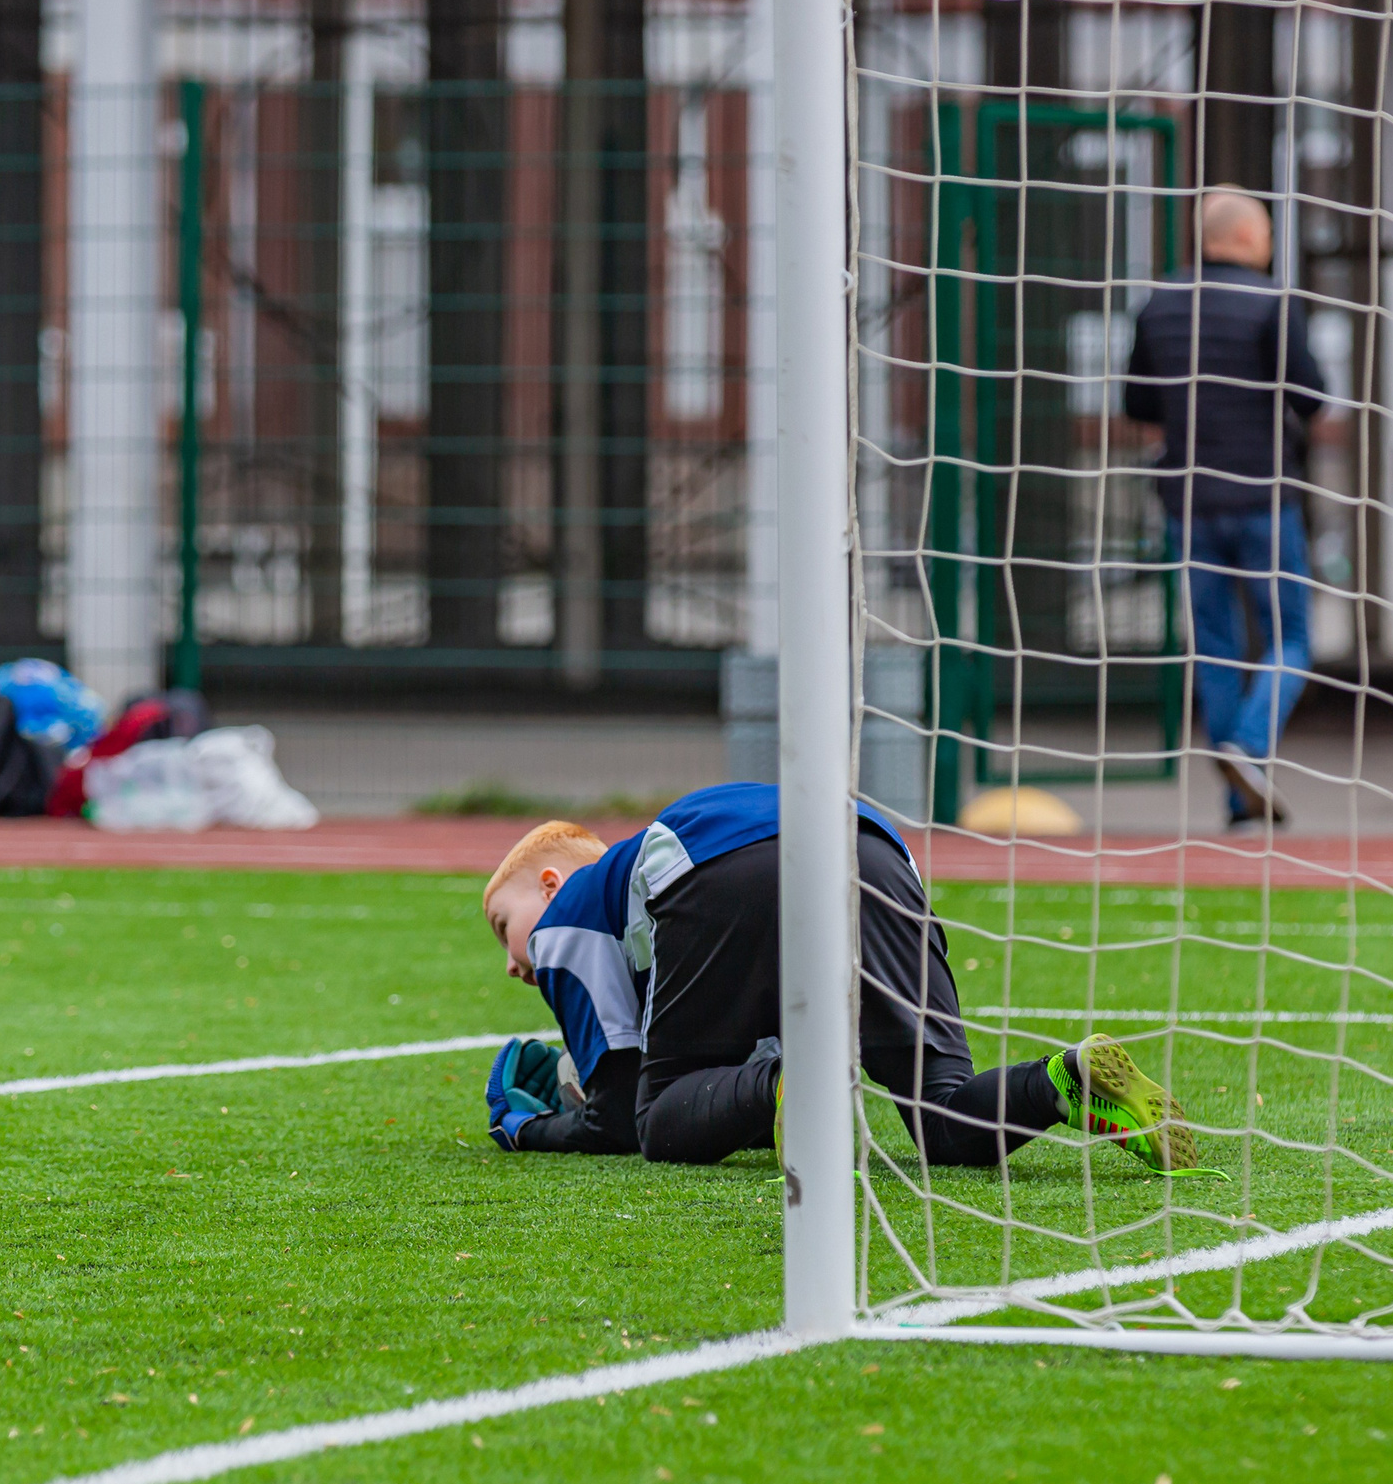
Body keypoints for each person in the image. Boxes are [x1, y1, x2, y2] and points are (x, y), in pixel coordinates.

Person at [478, 783, 1202, 1174]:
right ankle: (1059, 1081)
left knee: (659, 1118)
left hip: (720, 866)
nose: (515, 962)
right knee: (941, 1118)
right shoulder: (623, 907)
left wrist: (526, 1125)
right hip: (878, 854)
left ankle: (793, 1083)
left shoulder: (565, 917)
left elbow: (617, 1121)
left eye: (502, 925)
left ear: (548, 886)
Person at [1124, 188, 1327, 829]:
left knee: (1214, 645)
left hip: (1189, 500)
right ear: (1243, 238)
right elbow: (1312, 396)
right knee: (1291, 638)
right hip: (1265, 498)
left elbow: (1138, 403)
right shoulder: (1272, 302)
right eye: (1265, 233)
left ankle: (1240, 802)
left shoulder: (1158, 303)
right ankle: (1248, 744)